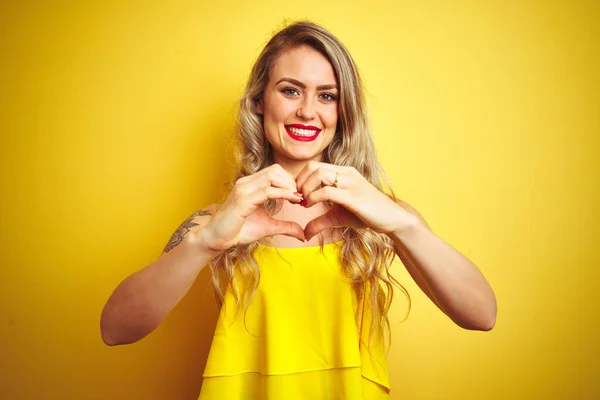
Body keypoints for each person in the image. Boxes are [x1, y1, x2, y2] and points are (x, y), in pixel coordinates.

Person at [100, 21, 497, 399]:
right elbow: (115, 328)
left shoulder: (383, 216)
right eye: (291, 91)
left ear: (343, 112)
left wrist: (402, 225)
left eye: (327, 95)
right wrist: (204, 243)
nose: (308, 111)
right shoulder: (220, 221)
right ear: (259, 101)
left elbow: (481, 314)